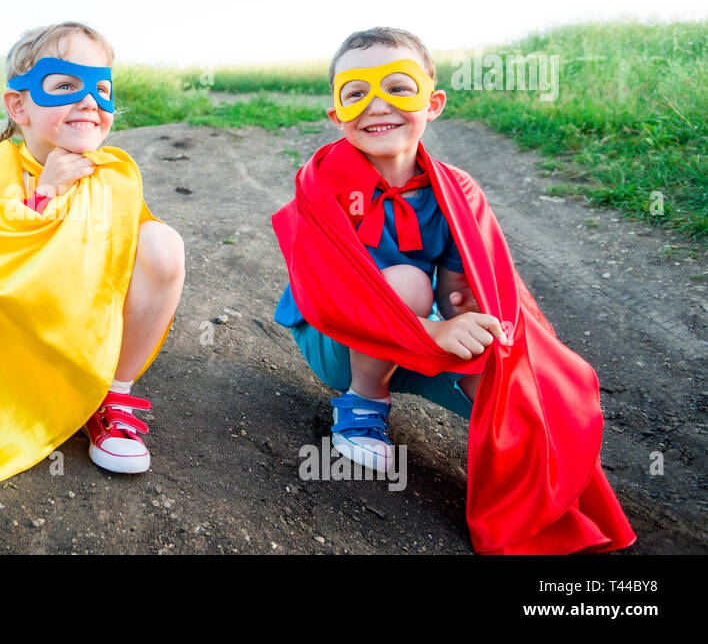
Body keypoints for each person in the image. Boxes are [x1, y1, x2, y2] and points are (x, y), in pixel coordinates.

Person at [271, 27, 635, 554]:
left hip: (418, 336)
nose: (378, 104)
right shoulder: (321, 182)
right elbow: (332, 293)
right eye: (356, 93)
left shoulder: (455, 190)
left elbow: (470, 286)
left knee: (508, 367)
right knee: (407, 280)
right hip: (337, 341)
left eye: (398, 87)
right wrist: (432, 329)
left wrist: (471, 325)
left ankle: (531, 489)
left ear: (432, 102)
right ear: (337, 114)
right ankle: (361, 410)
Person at [0, 22, 185, 491]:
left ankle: (112, 396)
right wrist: (45, 195)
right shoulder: (0, 172)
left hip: (86, 327)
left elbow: (129, 260)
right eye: (63, 86)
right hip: (19, 344)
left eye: (101, 88)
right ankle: (41, 396)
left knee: (162, 243)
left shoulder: (112, 173)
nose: (90, 102)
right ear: (19, 105)